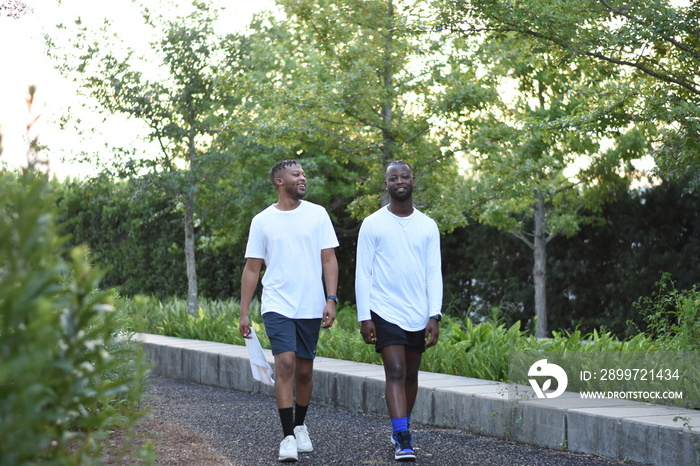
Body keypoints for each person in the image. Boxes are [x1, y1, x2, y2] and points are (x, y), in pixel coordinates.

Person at [239, 159, 339, 463]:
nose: (303, 178)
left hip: (310, 304)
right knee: (285, 364)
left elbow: (329, 260)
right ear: (279, 181)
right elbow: (252, 269)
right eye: (296, 174)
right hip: (277, 304)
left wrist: (331, 299)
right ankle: (286, 438)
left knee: (305, 371)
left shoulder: (318, 215)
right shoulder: (262, 220)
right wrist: (244, 312)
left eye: (303, 173)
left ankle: (299, 426)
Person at [355, 160, 443, 462]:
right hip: (383, 308)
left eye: (404, 176)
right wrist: (364, 316)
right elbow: (362, 273)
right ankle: (403, 438)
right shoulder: (373, 223)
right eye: (393, 178)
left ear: (413, 180)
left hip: (418, 312)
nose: (399, 181)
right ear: (387, 184)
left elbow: (434, 273)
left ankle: (401, 426)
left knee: (411, 374)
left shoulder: (428, 225)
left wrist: (435, 314)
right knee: (395, 371)